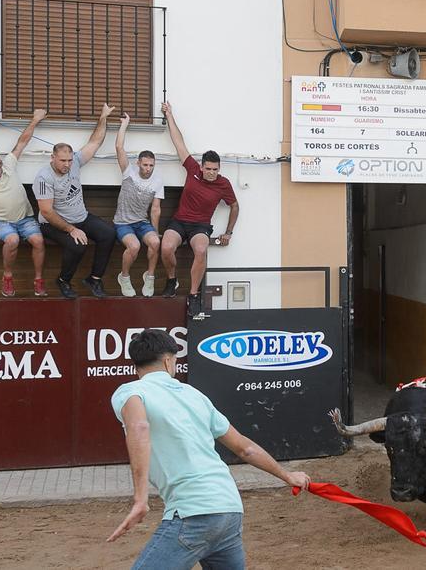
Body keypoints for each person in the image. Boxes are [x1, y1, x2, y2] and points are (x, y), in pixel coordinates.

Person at [107, 330, 311, 570]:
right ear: (168, 361)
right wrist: (287, 476)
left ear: (136, 365)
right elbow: (244, 448)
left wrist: (140, 499)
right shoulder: (196, 396)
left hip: (193, 513)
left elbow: (139, 426)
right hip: (229, 509)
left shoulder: (130, 391)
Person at [159, 102, 239, 317]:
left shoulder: (224, 184)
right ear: (202, 166)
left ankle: (193, 296)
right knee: (166, 248)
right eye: (208, 169)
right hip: (179, 221)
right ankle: (171, 280)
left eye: (215, 169)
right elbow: (178, 142)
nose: (211, 172)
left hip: (200, 226)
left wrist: (228, 232)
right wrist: (169, 115)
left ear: (218, 168)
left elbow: (234, 205)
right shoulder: (192, 169)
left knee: (202, 250)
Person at [34, 103, 117, 299]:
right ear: (53, 158)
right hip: (52, 223)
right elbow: (46, 212)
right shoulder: (44, 177)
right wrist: (71, 229)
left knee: (108, 234)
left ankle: (94, 279)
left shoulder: (75, 163)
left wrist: (103, 117)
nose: (67, 164)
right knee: (78, 245)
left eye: (69, 160)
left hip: (81, 217)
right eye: (62, 161)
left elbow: (95, 142)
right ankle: (63, 280)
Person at [0, 108, 48, 297]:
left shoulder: (9, 165)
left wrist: (35, 119)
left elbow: (22, 141)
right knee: (12, 239)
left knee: (38, 240)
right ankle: (7, 277)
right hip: (0, 222)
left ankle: (38, 280)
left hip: (25, 218)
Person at [113, 113, 165, 298]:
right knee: (134, 247)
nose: (148, 169)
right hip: (123, 222)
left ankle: (149, 277)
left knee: (155, 242)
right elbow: (119, 147)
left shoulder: (158, 181)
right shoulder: (129, 172)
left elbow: (156, 209)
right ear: (138, 163)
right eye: (145, 165)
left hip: (142, 222)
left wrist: (155, 230)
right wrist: (125, 124)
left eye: (151, 165)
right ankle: (124, 277)